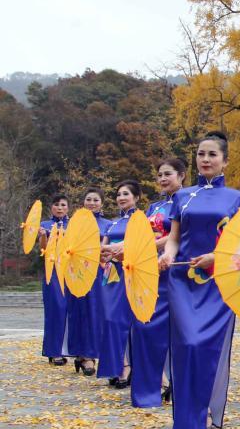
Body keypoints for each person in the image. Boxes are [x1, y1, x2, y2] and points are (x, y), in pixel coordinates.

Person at [158, 132, 240, 429]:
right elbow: (174, 236)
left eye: (212, 155)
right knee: (186, 346)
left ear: (225, 161)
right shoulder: (183, 196)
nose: (205, 159)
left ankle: (205, 409)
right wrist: (168, 255)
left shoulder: (235, 198)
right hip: (182, 281)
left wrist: (216, 257)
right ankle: (187, 416)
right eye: (200, 154)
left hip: (218, 282)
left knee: (205, 346)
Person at [130, 159, 186, 407]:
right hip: (152, 272)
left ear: (182, 175)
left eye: (168, 174)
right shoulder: (154, 206)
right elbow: (141, 237)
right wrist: (121, 249)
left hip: (176, 268)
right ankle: (154, 386)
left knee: (180, 332)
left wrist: (141, 247)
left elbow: (177, 236)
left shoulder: (188, 200)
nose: (163, 179)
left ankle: (179, 384)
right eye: (160, 175)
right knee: (145, 328)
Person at [97, 181, 141, 388]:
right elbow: (102, 247)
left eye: (126, 194)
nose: (121, 197)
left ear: (136, 198)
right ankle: (115, 365)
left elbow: (143, 244)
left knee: (126, 321)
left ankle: (128, 367)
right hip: (111, 276)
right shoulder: (112, 224)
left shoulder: (141, 220)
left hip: (132, 274)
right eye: (118, 194)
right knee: (110, 320)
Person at [67, 188, 110, 376]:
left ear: (102, 203)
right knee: (79, 313)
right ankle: (83, 354)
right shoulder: (73, 224)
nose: (92, 202)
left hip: (100, 274)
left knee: (96, 313)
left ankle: (91, 355)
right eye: (88, 199)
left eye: (96, 199)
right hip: (78, 274)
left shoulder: (109, 224)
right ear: (83, 202)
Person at [39, 194, 70, 365]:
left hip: (70, 272)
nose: (59, 207)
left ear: (68, 208)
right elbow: (42, 249)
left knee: (70, 310)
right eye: (56, 204)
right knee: (55, 310)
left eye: (63, 204)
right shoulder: (44, 225)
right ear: (51, 207)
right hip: (52, 272)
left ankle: (71, 349)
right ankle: (54, 351)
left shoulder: (73, 225)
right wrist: (44, 235)